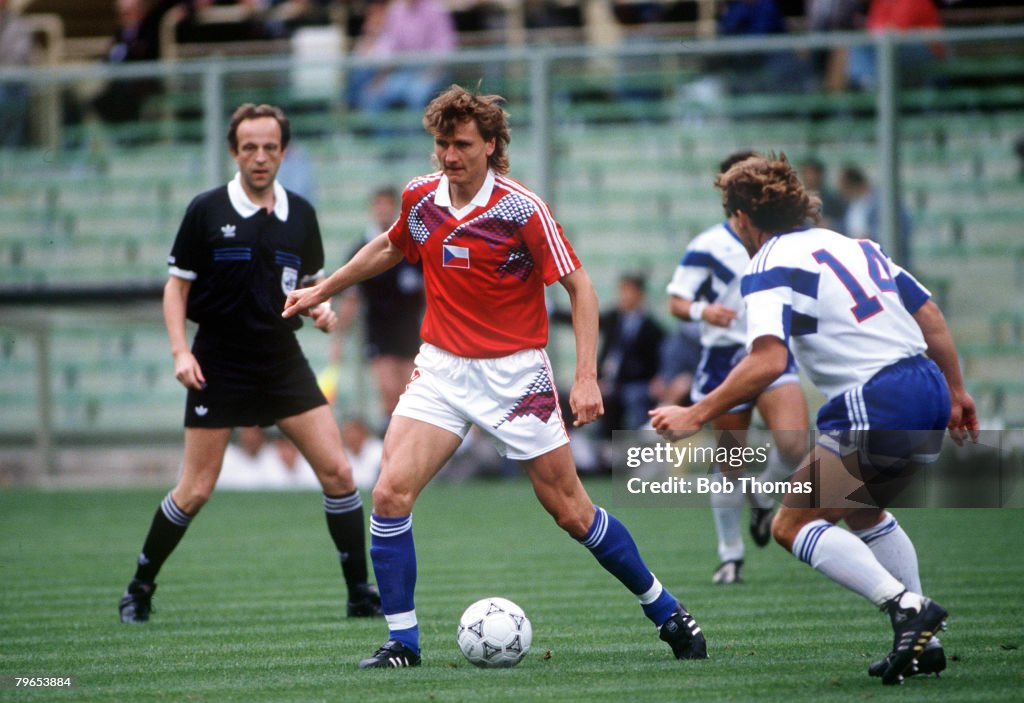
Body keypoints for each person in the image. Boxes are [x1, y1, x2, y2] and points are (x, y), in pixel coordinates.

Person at [283, 84, 708, 668]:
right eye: (441, 144)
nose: (449, 156)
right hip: (441, 368)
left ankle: (667, 611)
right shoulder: (421, 197)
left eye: (461, 145)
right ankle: (402, 643)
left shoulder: (520, 208)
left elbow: (580, 288)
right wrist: (323, 289)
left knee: (571, 511)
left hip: (517, 377)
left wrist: (585, 376)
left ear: (490, 145)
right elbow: (389, 245)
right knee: (388, 493)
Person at [651, 153, 979, 684]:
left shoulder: (767, 264)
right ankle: (926, 645)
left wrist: (696, 411)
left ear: (741, 220)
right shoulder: (854, 245)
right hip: (926, 386)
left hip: (877, 397)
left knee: (792, 522)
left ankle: (907, 610)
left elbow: (767, 360)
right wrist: (958, 389)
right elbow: (930, 314)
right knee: (864, 512)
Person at [117, 103, 381, 624]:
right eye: (249, 148)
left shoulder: (301, 214)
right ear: (234, 151)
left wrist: (321, 307)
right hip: (219, 362)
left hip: (282, 361)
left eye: (270, 147)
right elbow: (177, 288)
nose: (260, 157)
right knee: (195, 489)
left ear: (284, 151)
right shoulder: (206, 210)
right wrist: (180, 351)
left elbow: (309, 286)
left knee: (339, 473)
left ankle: (359, 593)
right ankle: (139, 588)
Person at [666, 150, 809, 585]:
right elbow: (676, 300)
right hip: (727, 358)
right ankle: (731, 555)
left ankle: (763, 492)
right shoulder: (707, 245)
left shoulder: (789, 240)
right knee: (730, 458)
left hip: (772, 350)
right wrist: (703, 313)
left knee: (794, 445)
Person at [331, 185, 425, 431]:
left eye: (387, 204)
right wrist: (339, 340)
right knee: (389, 393)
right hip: (379, 333)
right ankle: (391, 447)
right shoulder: (361, 249)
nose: (383, 209)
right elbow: (352, 298)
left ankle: (409, 449)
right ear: (373, 208)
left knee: (412, 395)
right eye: (378, 204)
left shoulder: (411, 247)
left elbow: (430, 292)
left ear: (395, 208)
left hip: (410, 331)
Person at [346, 0, 457, 118]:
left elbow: (445, 49)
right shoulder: (395, 10)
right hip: (402, 71)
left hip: (431, 72)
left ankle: (413, 136)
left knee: (417, 94)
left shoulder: (437, 9)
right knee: (373, 95)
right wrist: (381, 75)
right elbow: (388, 46)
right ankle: (383, 137)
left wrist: (430, 75)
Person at [597, 273, 665, 437]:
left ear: (639, 294)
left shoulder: (651, 328)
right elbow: (581, 320)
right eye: (622, 291)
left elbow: (659, 358)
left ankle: (639, 446)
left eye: (629, 291)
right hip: (610, 382)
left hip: (637, 382)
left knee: (634, 400)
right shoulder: (613, 319)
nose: (624, 296)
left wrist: (659, 377)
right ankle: (605, 453)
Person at [838, 163, 913, 270]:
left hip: (886, 261)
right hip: (863, 263)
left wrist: (871, 235)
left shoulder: (884, 200)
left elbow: (902, 228)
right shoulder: (853, 204)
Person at [0, 0, 32, 148]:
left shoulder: (18, 26)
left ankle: (11, 156)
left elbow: (17, 60)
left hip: (11, 88)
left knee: (7, 95)